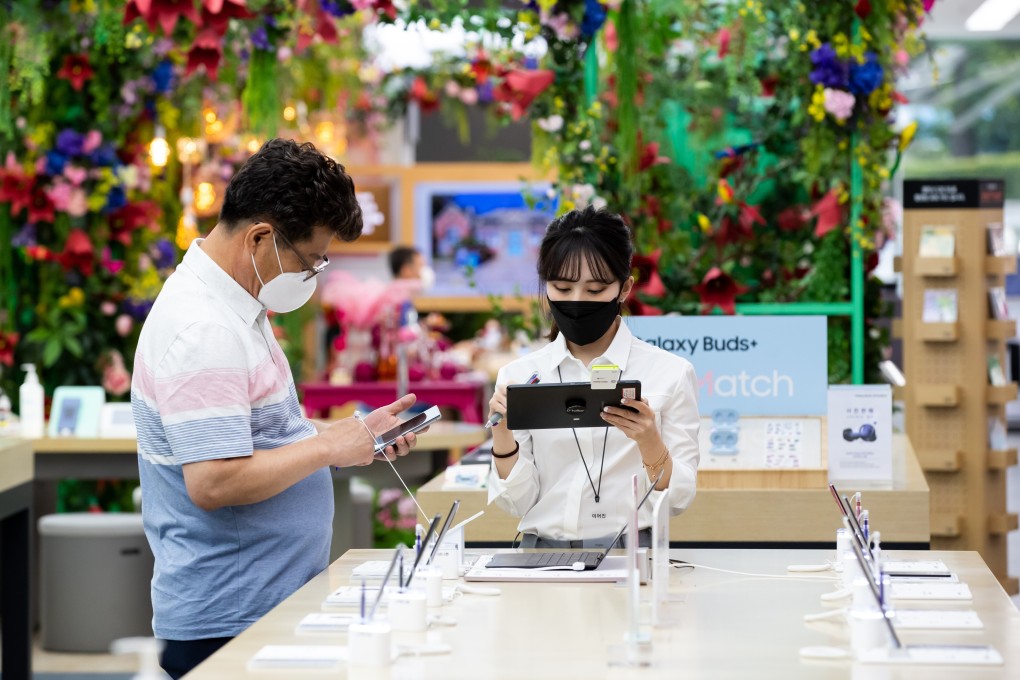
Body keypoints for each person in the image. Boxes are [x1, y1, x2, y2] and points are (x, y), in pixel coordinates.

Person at [131, 139, 424, 678]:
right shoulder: (204, 329)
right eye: (310, 260)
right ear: (261, 238)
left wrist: (349, 437)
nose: (313, 275)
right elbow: (214, 482)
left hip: (265, 605)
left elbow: (257, 435)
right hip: (230, 620)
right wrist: (327, 446)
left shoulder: (237, 306)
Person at [486, 206, 699, 548]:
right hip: (539, 561)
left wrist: (649, 442)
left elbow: (678, 500)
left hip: (630, 561)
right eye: (562, 288)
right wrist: (502, 433)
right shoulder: (521, 376)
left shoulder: (670, 374)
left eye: (596, 289)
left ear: (624, 288)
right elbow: (516, 504)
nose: (577, 300)